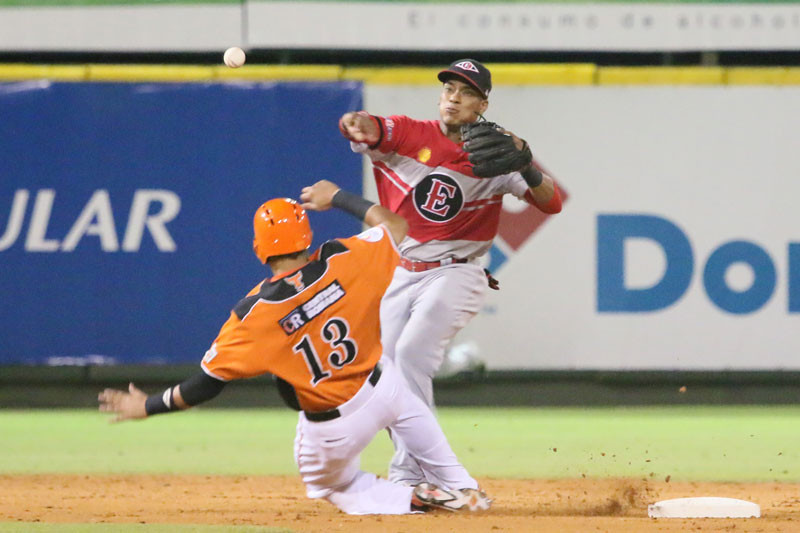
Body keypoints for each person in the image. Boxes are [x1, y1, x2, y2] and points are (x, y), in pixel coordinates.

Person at [97, 180, 491, 515]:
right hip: (384, 388)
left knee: (333, 486)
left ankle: (413, 498)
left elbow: (206, 384)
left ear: (258, 249)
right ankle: (461, 485)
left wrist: (148, 406)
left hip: (335, 426)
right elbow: (395, 225)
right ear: (307, 237)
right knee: (403, 400)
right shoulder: (345, 257)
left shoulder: (255, 314)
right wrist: (337, 197)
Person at [338, 59, 563, 485]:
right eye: (449, 89)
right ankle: (418, 471)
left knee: (411, 355)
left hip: (456, 272)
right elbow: (369, 127)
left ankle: (418, 475)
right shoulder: (409, 133)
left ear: (483, 104)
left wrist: (528, 166)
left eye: (466, 92)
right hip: (401, 272)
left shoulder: (497, 152)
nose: (454, 98)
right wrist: (355, 122)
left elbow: (551, 202)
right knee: (384, 373)